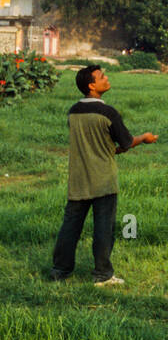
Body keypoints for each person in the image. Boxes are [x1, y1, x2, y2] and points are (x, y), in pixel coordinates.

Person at [49, 65, 158, 285]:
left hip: (78, 179)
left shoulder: (73, 111)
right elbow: (127, 141)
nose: (107, 79)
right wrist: (144, 138)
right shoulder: (108, 113)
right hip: (103, 180)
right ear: (92, 85)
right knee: (103, 228)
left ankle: (60, 271)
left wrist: (113, 149)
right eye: (102, 77)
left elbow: (94, 143)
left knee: (70, 226)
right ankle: (102, 275)